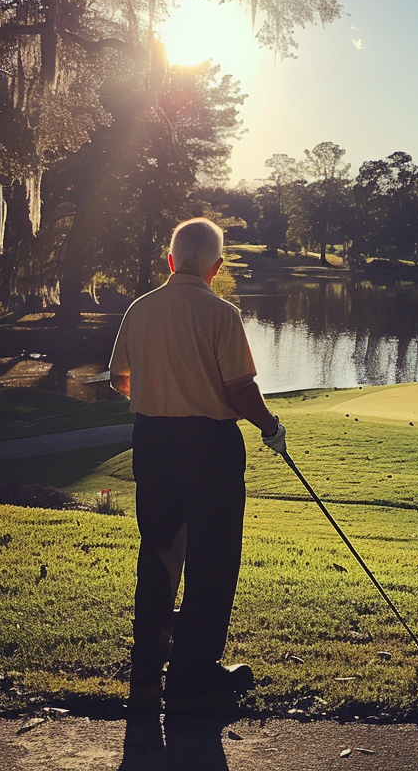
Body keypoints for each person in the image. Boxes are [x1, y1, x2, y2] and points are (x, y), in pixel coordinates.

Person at [108, 217, 286, 715]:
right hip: (210, 448)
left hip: (154, 443)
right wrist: (271, 427)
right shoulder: (221, 314)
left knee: (159, 552)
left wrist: (156, 385)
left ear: (170, 260)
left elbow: (119, 378)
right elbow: (240, 390)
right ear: (216, 266)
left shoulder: (140, 310)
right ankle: (191, 674)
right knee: (212, 562)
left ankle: (146, 673)